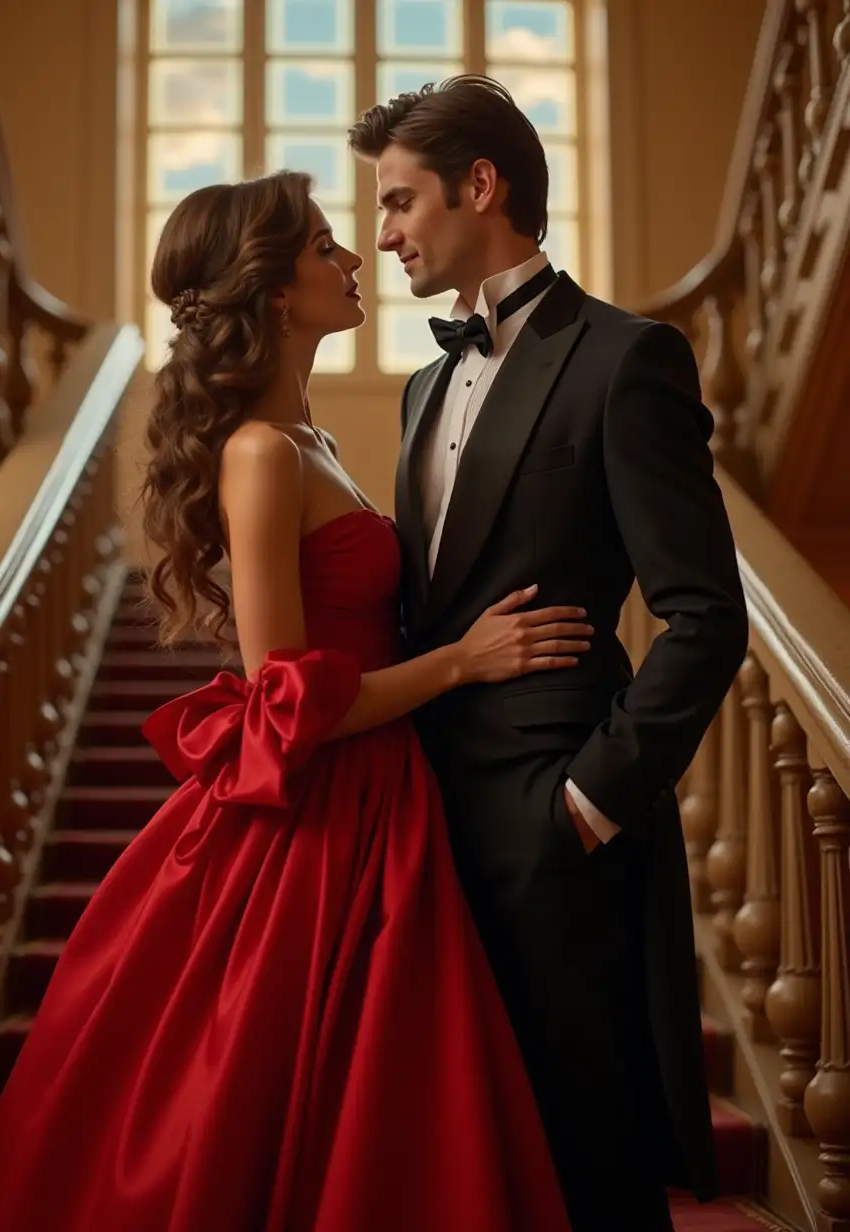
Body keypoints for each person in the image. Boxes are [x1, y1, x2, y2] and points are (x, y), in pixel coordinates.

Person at [0, 172, 583, 1231]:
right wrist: (461, 665)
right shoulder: (257, 454)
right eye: (326, 248)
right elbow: (281, 700)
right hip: (320, 816)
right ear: (273, 292)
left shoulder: (315, 444)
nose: (354, 261)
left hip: (383, 789)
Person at [348, 76, 750, 1232]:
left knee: (587, 1157)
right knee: (457, 1162)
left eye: (398, 200)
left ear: (482, 186)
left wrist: (583, 802)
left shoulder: (627, 358)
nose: (383, 234)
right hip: (416, 822)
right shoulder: (424, 385)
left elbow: (705, 613)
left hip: (551, 825)